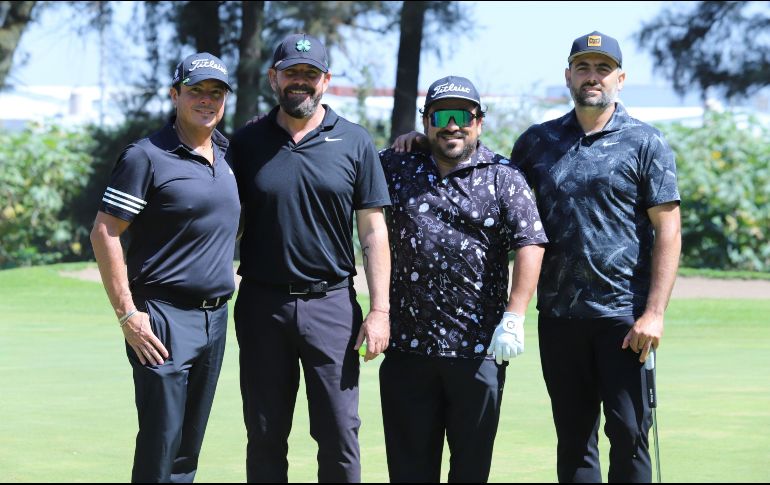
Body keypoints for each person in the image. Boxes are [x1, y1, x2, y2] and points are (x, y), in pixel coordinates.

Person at [509, 31, 682, 482]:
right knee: (574, 440)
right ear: (568, 75)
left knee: (630, 434)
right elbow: (489, 181)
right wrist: (424, 142)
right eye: (583, 67)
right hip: (559, 317)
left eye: (603, 69)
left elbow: (668, 230)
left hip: (624, 319)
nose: (592, 77)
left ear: (619, 79)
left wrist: (654, 314)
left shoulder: (646, 142)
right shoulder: (536, 142)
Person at [230, 33, 391, 483]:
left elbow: (373, 230)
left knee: (339, 433)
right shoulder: (246, 142)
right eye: (291, 73)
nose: (300, 81)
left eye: (310, 74)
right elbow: (225, 217)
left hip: (332, 306)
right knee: (265, 433)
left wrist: (379, 311)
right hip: (262, 306)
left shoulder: (355, 140)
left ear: (326, 80)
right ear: (273, 78)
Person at [381, 76, 547, 482]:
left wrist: (515, 316)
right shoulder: (394, 166)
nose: (452, 126)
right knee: (408, 473)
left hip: (478, 351)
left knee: (470, 472)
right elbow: (348, 180)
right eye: (441, 116)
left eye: (462, 116)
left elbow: (530, 242)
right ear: (426, 121)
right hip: (408, 351)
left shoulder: (503, 175)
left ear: (479, 122)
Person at [90, 52, 240, 482]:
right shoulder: (146, 156)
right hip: (163, 317)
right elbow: (104, 231)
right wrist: (127, 314)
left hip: (215, 318)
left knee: (187, 450)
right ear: (175, 95)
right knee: (162, 443)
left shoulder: (227, 154)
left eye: (216, 92)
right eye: (196, 90)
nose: (207, 100)